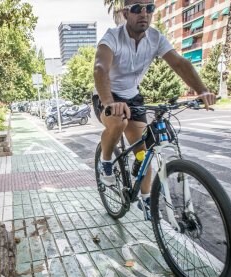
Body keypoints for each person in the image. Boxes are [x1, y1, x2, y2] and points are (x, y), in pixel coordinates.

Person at [93, 0, 216, 220]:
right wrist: (109, 102)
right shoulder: (112, 36)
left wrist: (202, 90)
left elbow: (179, 63)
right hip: (108, 95)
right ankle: (105, 162)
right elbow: (100, 68)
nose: (144, 13)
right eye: (137, 8)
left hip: (132, 96)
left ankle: (146, 198)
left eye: (149, 8)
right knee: (118, 121)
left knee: (144, 149)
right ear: (125, 13)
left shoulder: (155, 38)